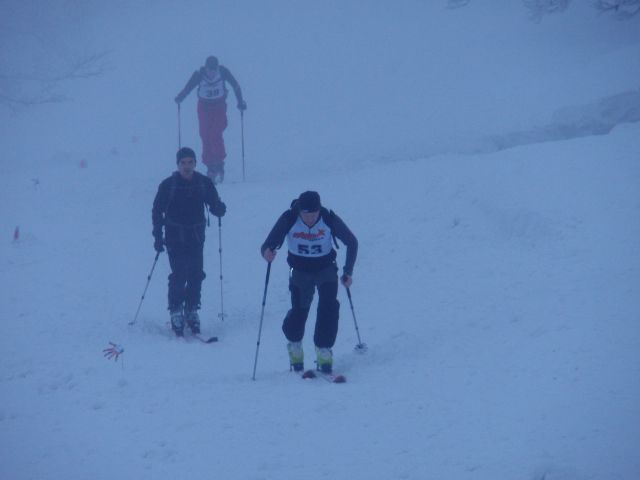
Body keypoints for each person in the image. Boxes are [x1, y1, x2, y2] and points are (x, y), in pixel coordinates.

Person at [261, 191, 358, 373]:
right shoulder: (289, 218)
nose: (310, 219)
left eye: (314, 214)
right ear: (300, 211)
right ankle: (295, 345)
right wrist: (267, 252)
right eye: (306, 215)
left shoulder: (328, 218)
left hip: (326, 268)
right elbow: (268, 243)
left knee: (329, 307)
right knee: (300, 311)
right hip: (300, 271)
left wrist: (348, 272)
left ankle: (323, 349)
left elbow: (352, 242)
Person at [152, 147, 227, 337]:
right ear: (177, 165)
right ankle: (176, 309)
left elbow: (213, 204)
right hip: (174, 236)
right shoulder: (168, 185)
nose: (186, 166)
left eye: (190, 162)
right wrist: (158, 236)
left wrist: (219, 208)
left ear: (195, 163)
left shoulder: (203, 183)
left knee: (196, 273)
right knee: (179, 274)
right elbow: (157, 211)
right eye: (183, 163)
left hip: (196, 236)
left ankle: (192, 309)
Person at [174, 55, 247, 184]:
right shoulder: (199, 75)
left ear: (217, 68)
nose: (211, 73)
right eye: (209, 70)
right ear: (206, 68)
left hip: (219, 107)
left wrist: (240, 102)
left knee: (215, 133)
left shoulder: (223, 72)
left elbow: (235, 86)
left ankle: (219, 165)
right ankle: (210, 167)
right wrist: (180, 97)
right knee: (205, 135)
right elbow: (188, 88)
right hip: (204, 108)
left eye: (214, 70)